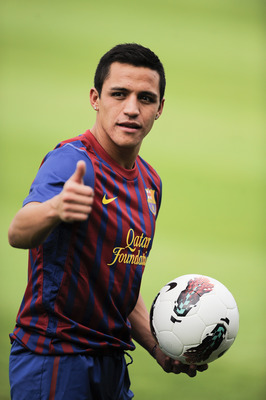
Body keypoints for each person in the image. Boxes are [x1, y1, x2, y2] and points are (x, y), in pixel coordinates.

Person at [8, 43, 208, 400]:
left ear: (159, 109)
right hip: (56, 358)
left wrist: (155, 345)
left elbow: (117, 283)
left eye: (145, 98)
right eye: (119, 94)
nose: (131, 109)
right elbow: (18, 231)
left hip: (112, 365)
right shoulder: (72, 162)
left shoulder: (149, 182)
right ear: (95, 98)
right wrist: (55, 209)